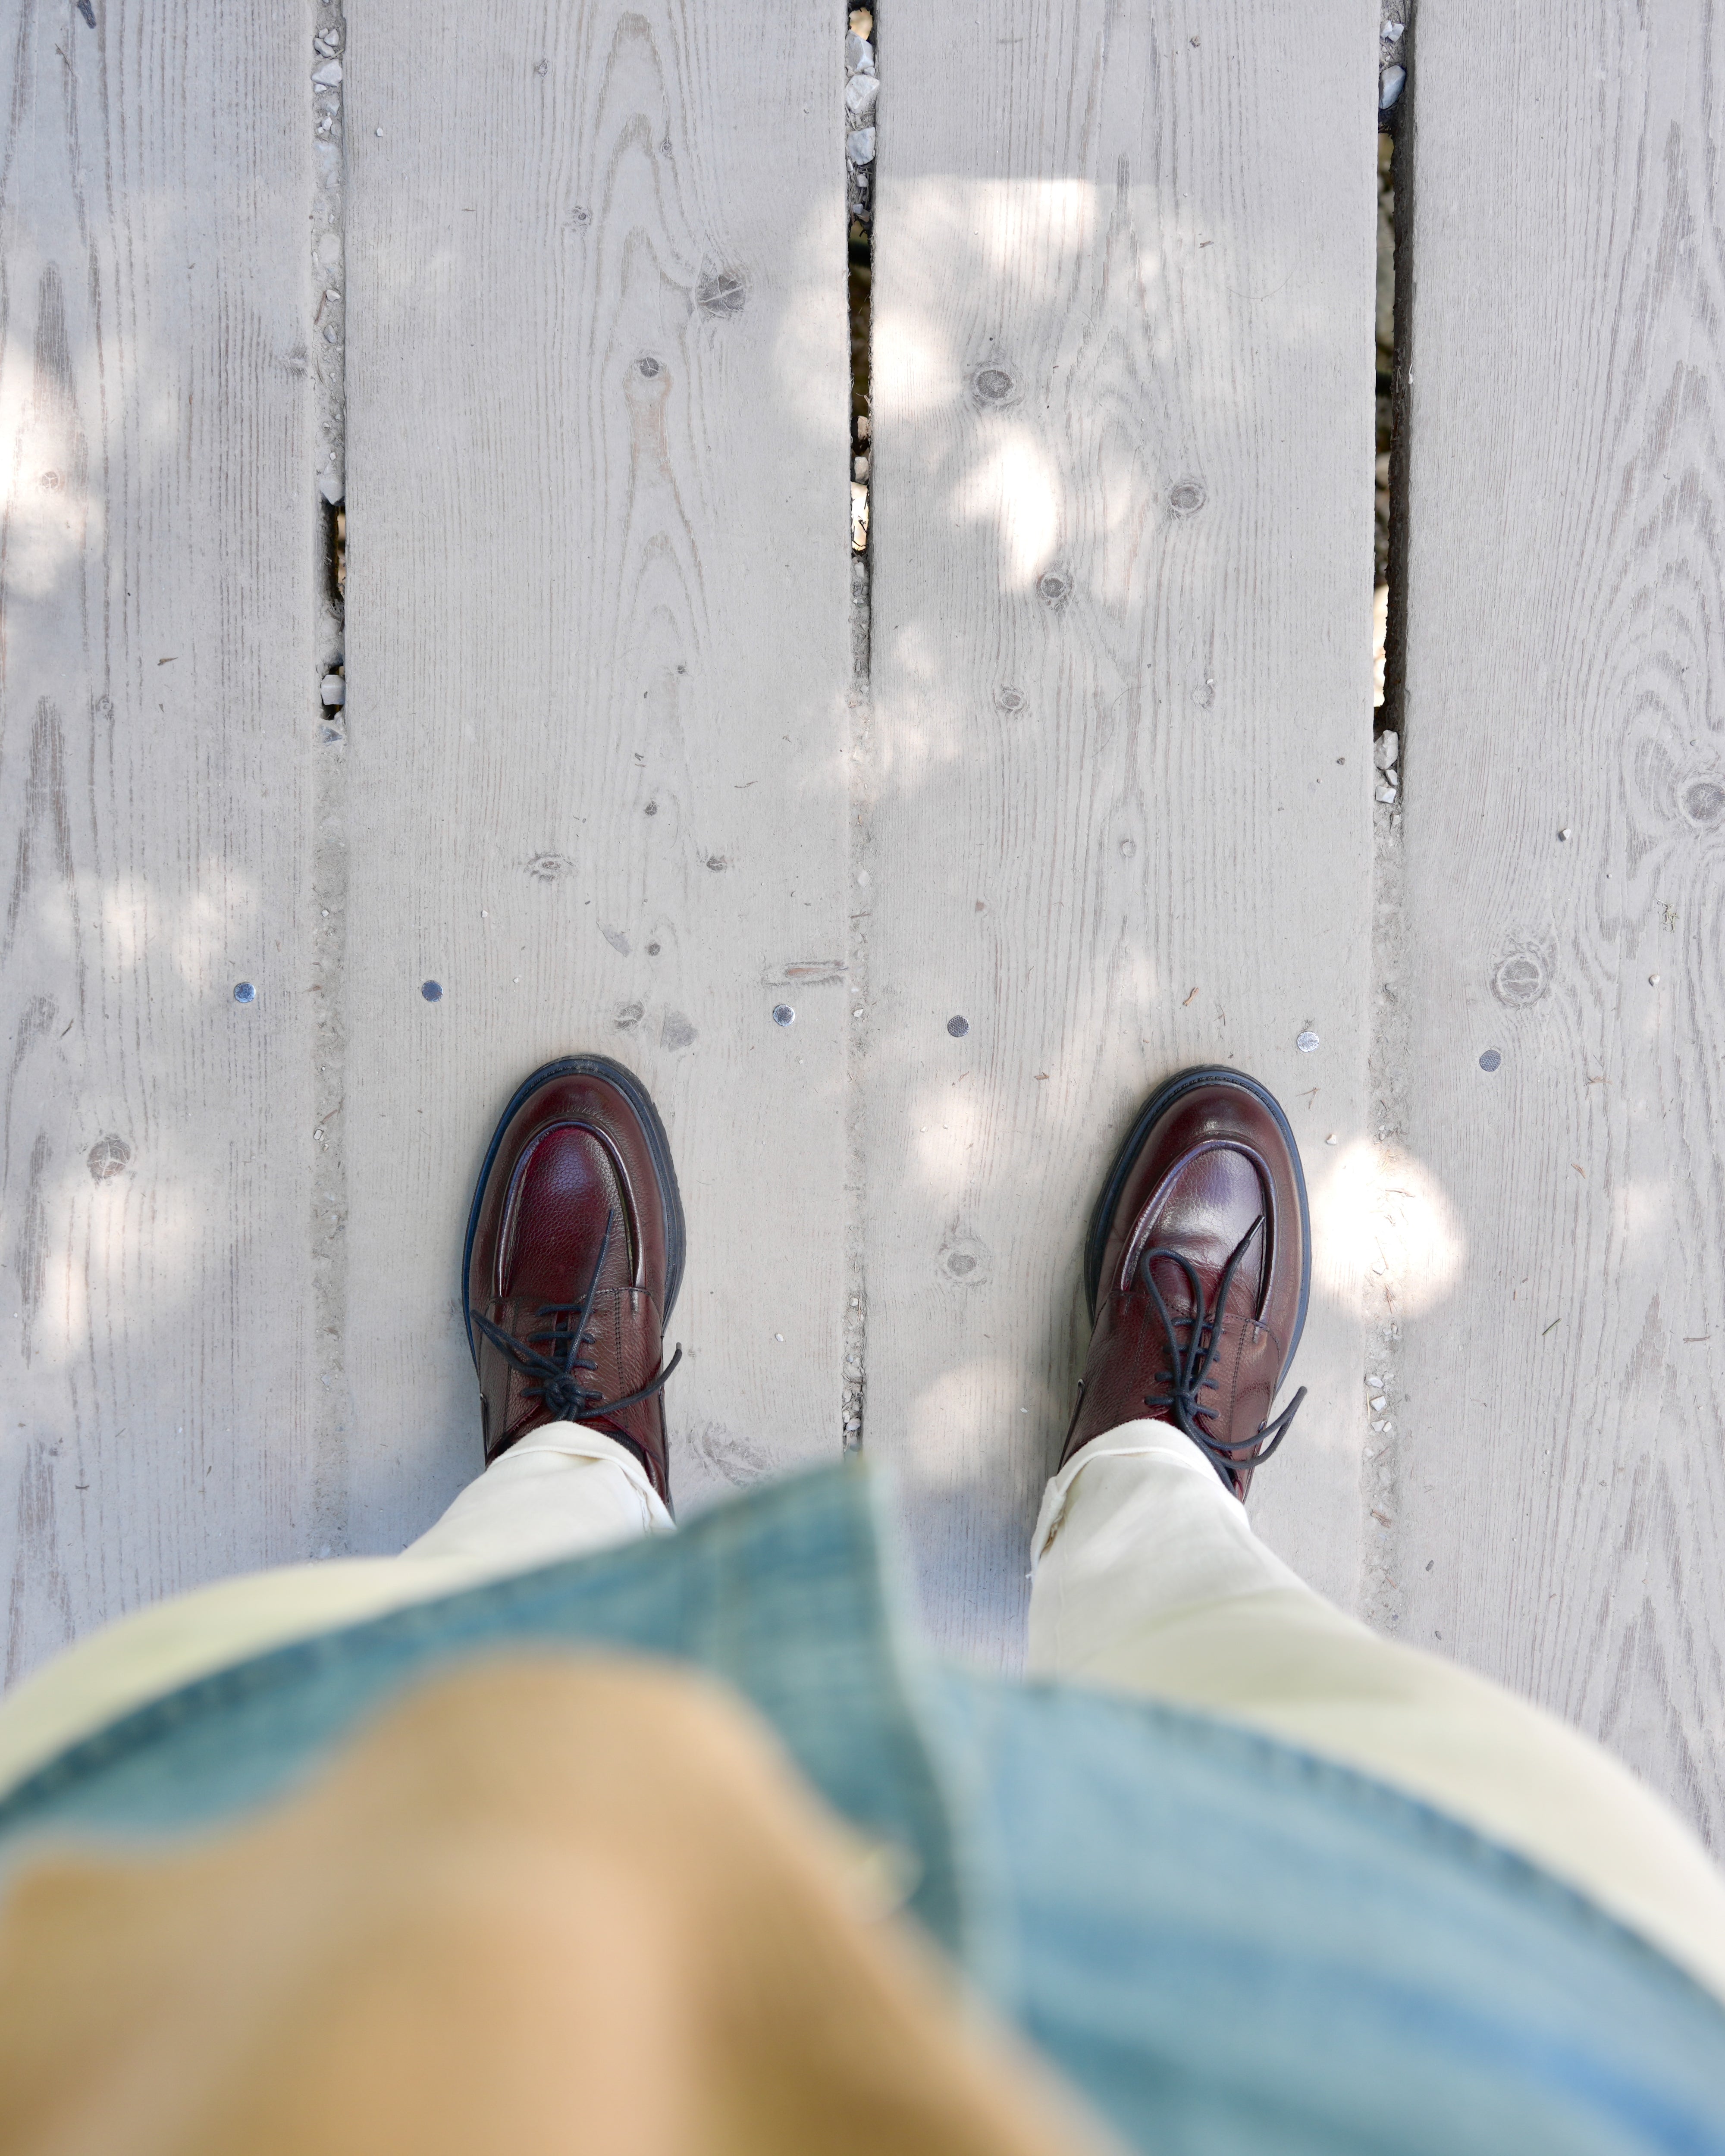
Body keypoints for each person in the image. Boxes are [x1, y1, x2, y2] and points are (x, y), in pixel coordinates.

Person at [0, 1056, 1722, 2155]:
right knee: (1265, 1672)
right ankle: (1145, 1472)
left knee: (442, 1686)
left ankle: (576, 1472)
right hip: (1424, 2048)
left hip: (314, 2038)